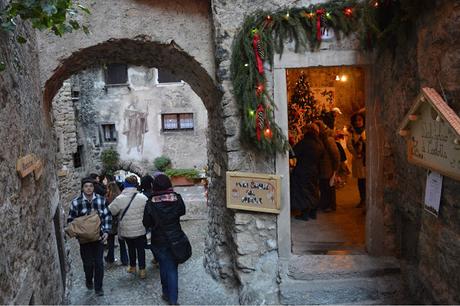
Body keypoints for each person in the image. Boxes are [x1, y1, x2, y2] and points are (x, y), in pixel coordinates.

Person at [143, 174, 186, 305]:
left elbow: (146, 222)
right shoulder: (177, 198)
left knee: (163, 265)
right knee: (172, 268)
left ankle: (166, 293)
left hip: (159, 239)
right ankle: (173, 299)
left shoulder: (150, 202)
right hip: (175, 237)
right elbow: (182, 211)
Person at [67, 177, 111, 296]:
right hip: (84, 239)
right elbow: (70, 220)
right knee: (88, 263)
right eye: (86, 186)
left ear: (93, 187)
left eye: (91, 186)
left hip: (99, 237)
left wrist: (106, 232)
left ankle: (98, 287)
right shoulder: (76, 202)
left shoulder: (101, 200)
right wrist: (79, 231)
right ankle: (88, 279)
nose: (88, 188)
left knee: (99, 263)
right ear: (82, 188)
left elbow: (107, 216)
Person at [109, 176, 148, 278]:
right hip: (140, 228)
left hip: (126, 229)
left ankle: (132, 266)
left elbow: (112, 211)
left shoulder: (119, 199)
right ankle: (142, 270)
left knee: (130, 248)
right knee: (140, 249)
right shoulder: (143, 197)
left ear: (125, 185)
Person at [290, 123, 325, 221]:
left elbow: (292, 153)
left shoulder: (305, 142)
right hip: (314, 170)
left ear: (308, 131)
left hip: (303, 170)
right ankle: (313, 213)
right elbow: (322, 156)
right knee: (313, 190)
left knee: (303, 192)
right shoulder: (319, 143)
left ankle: (304, 214)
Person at [315, 120, 340, 212]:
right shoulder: (319, 139)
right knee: (323, 186)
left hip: (328, 167)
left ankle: (330, 205)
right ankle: (324, 204)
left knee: (329, 186)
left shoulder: (328, 139)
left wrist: (335, 169)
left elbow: (335, 155)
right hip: (321, 167)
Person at [105, 181, 128, 266]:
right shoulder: (121, 197)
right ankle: (124, 259)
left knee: (110, 240)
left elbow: (107, 211)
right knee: (122, 241)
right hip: (120, 221)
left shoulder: (107, 198)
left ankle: (110, 257)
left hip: (111, 221)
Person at [347, 112, 366, 208]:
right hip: (358, 161)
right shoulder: (352, 133)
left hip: (366, 160)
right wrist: (356, 153)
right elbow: (349, 145)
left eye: (360, 120)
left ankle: (367, 200)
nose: (358, 122)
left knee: (366, 180)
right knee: (361, 181)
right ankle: (362, 199)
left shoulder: (366, 131)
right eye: (356, 120)